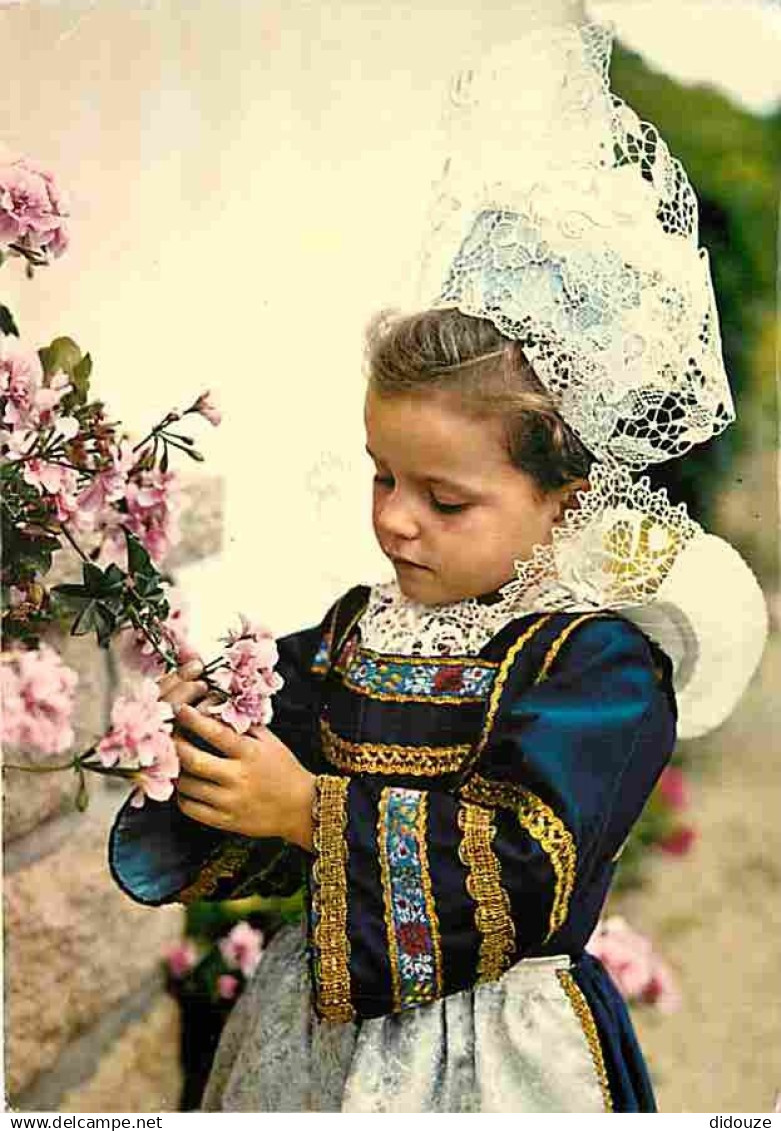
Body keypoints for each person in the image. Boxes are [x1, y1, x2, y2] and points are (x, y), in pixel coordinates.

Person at [108, 21, 768, 1113]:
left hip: (498, 1054)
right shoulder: (366, 627)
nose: (398, 524)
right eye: (382, 478)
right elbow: (277, 722)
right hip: (312, 1039)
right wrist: (202, 723)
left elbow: (524, 857)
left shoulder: (600, 663)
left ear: (562, 494)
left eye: (444, 499)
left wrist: (308, 814)